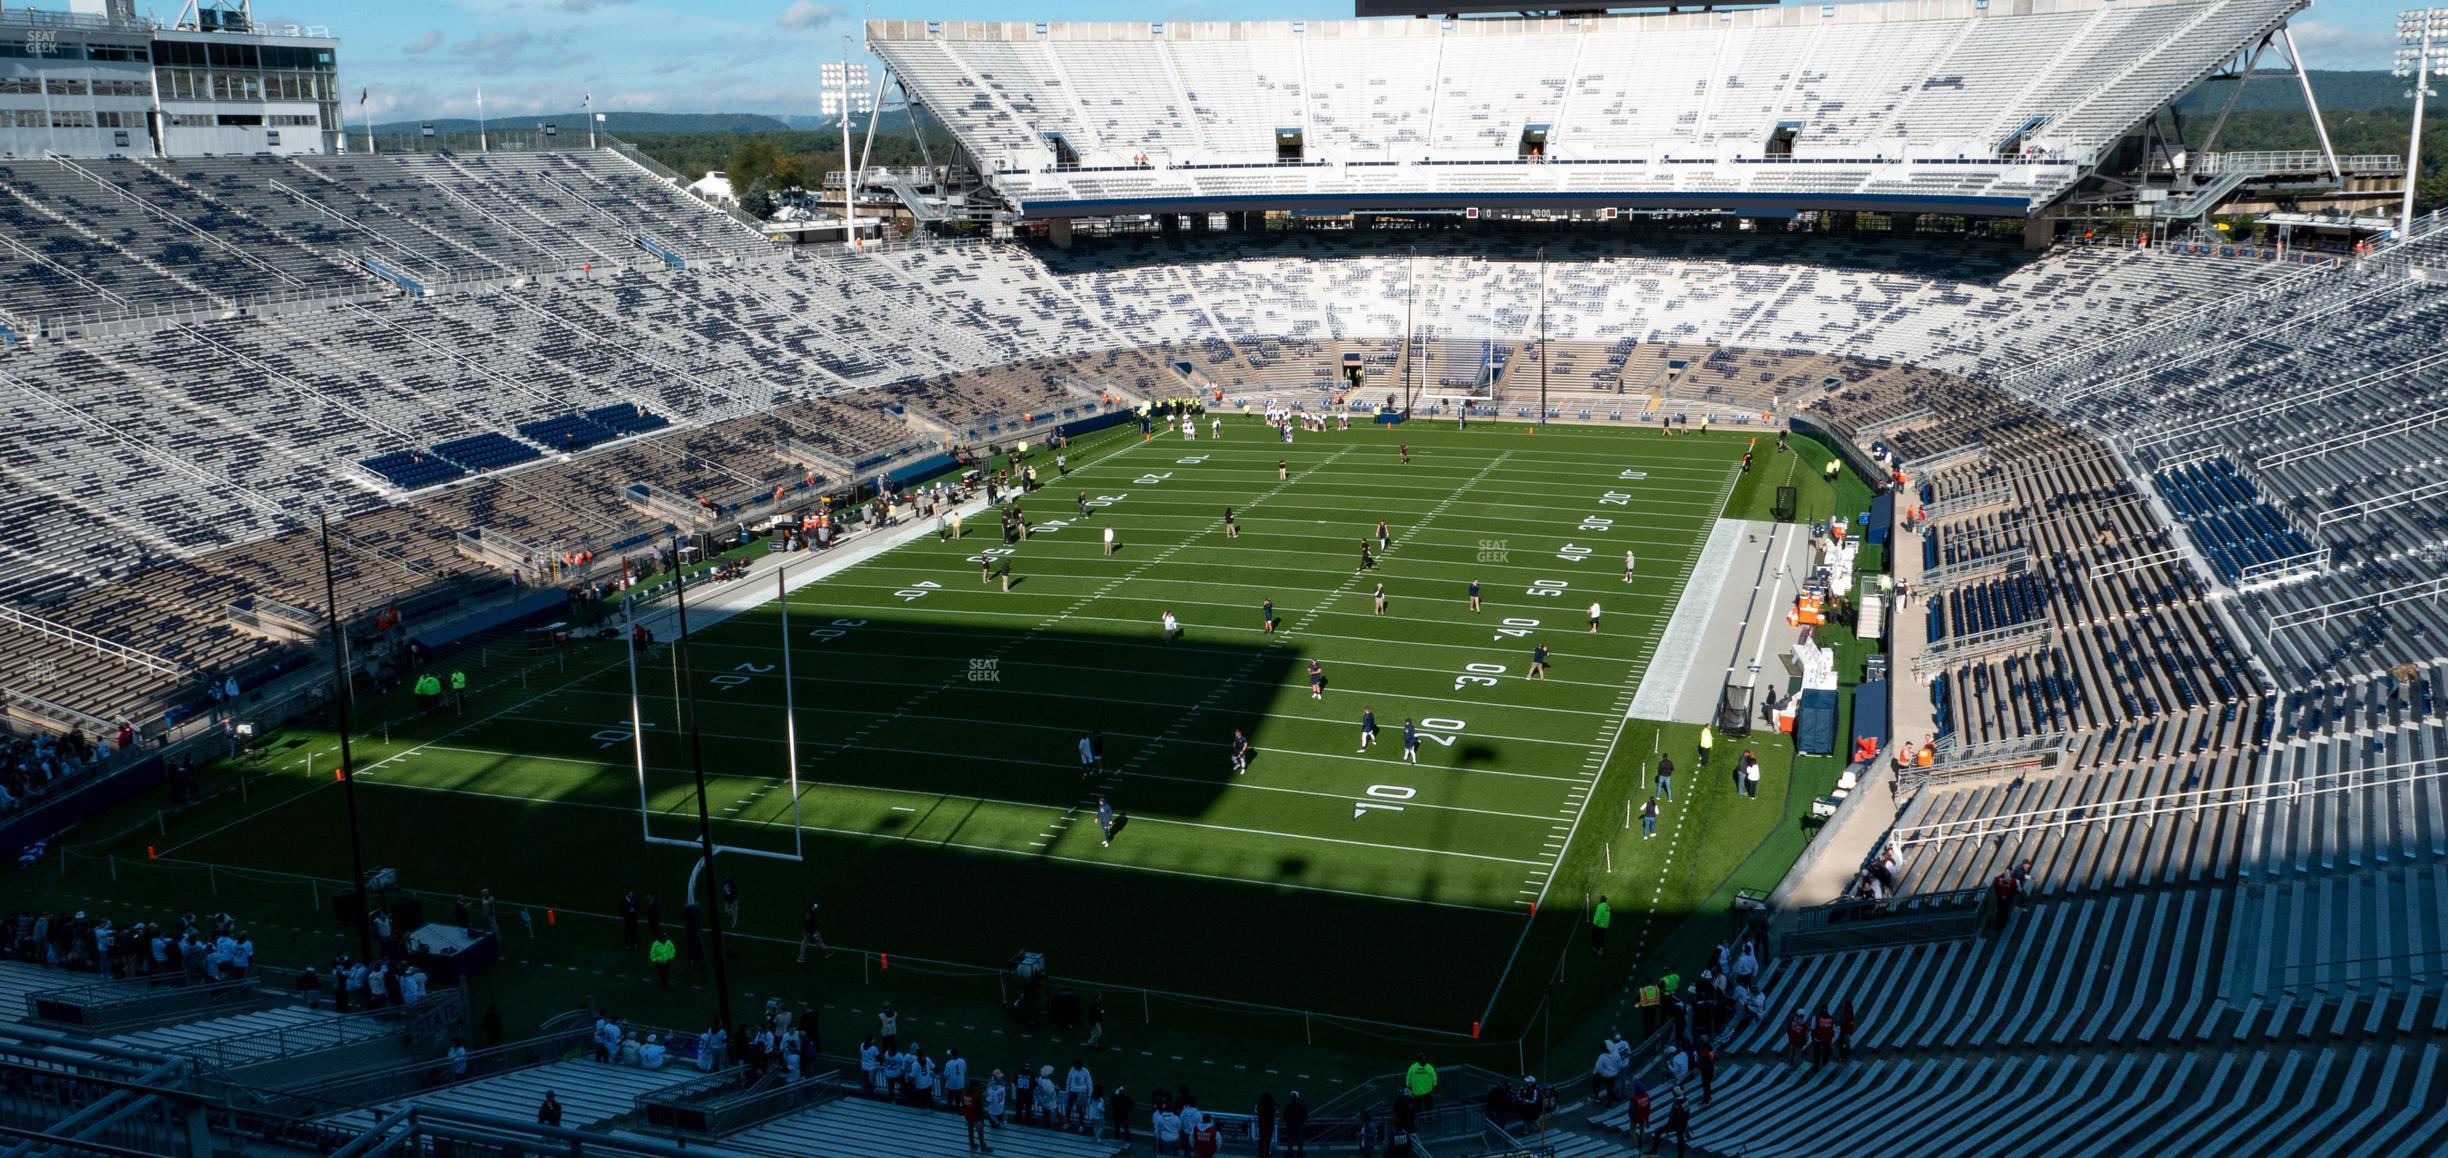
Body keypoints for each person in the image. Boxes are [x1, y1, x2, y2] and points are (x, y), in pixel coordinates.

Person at [962, 1081, 992, 1152]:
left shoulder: (964, 1094)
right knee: (980, 1132)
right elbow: (979, 1108)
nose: (978, 1088)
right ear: (973, 1087)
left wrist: (966, 1116)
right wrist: (981, 1118)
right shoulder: (976, 1096)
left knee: (970, 1131)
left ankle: (972, 1146)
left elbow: (964, 1106)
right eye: (977, 1087)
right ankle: (983, 1146)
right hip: (977, 1118)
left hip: (968, 1117)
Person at [1282, 1091, 1308, 1157]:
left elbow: (1285, 1116)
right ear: (1297, 1098)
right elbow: (1305, 1116)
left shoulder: (1288, 1106)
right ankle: (1300, 1153)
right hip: (1299, 1126)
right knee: (1300, 1141)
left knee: (1290, 1141)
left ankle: (1290, 1153)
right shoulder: (1301, 1106)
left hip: (1290, 1126)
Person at [1254, 1091, 1278, 1157]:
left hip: (1262, 1124)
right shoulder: (1272, 1104)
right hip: (1270, 1124)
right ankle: (1267, 1153)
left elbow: (1256, 1111)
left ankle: (1261, 1153)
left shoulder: (1261, 1104)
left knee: (1262, 1139)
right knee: (1268, 1140)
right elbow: (1276, 1111)